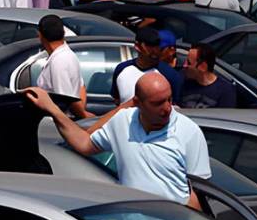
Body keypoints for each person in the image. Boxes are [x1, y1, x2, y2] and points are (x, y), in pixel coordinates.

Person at [24, 73, 211, 208]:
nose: (167, 108)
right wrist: (52, 109)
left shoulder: (189, 132)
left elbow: (197, 195)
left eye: (169, 99)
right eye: (157, 103)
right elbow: (84, 142)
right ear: (137, 103)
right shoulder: (123, 121)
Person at [36, 14, 90, 119]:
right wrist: (82, 112)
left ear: (40, 36)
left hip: (60, 124)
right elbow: (80, 87)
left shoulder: (59, 61)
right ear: (63, 33)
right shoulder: (69, 55)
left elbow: (65, 100)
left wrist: (84, 116)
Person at [111, 27, 185, 104]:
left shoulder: (171, 75)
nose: (155, 50)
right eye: (150, 46)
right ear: (137, 46)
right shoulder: (121, 69)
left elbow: (175, 107)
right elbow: (117, 100)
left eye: (158, 45)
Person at [181, 43, 236, 109]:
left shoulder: (225, 91)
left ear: (203, 67)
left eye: (189, 63)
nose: (184, 65)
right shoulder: (186, 84)